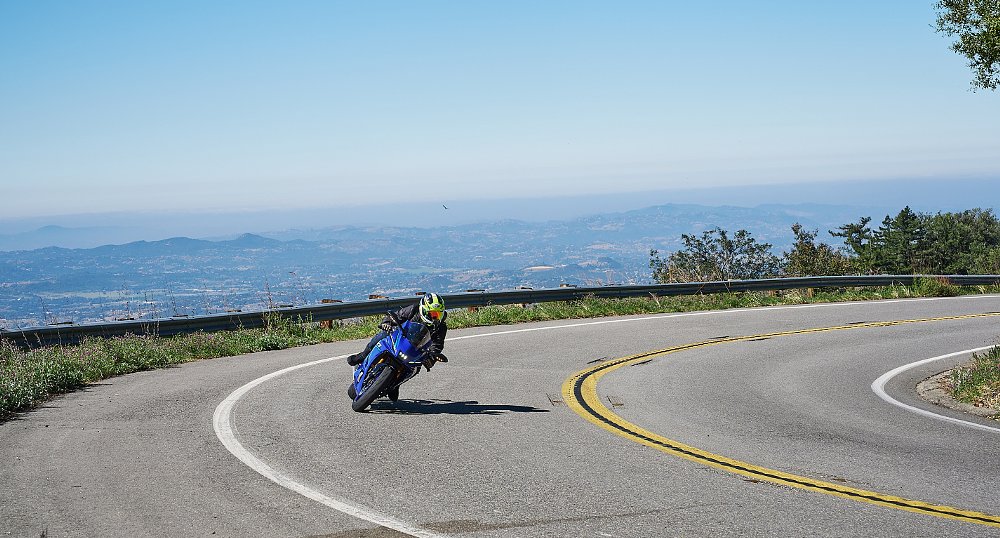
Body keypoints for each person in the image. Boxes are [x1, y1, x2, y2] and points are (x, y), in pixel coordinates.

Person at [347, 293, 448, 400]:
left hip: (416, 350)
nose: (435, 318)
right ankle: (363, 356)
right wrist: (387, 323)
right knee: (382, 335)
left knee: (415, 369)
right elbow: (397, 315)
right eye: (433, 314)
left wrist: (432, 356)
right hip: (400, 337)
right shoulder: (413, 309)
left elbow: (437, 345)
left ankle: (395, 385)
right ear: (424, 310)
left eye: (438, 314)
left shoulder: (441, 327)